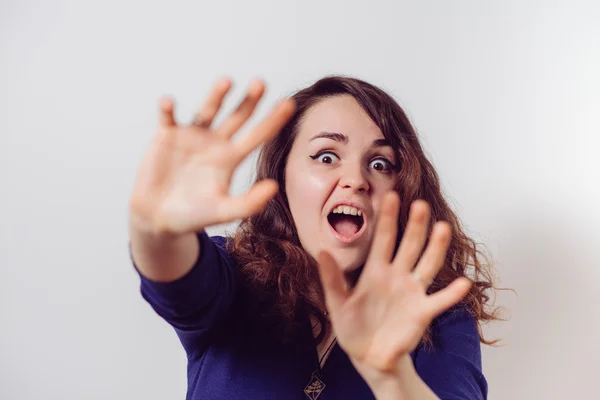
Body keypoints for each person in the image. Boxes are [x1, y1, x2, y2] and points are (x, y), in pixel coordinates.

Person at [128, 75, 499, 399]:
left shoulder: (438, 313)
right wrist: (154, 230)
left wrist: (392, 377)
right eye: (325, 156)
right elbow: (177, 278)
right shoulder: (233, 278)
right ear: (283, 178)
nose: (356, 179)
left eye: (379, 163)